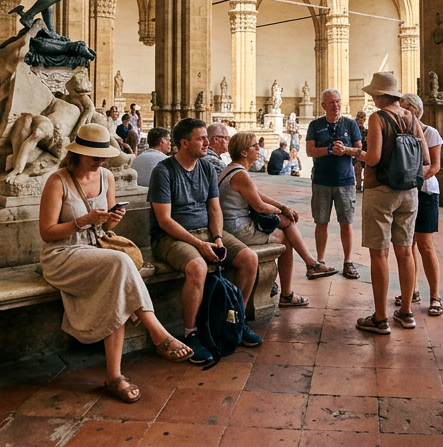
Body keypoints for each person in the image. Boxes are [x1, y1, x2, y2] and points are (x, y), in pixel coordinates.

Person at [40, 123, 193, 401]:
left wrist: (111, 220)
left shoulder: (107, 176)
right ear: (78, 153)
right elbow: (47, 232)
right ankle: (157, 332)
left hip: (97, 251)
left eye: (103, 157)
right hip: (62, 254)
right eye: (94, 156)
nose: (100, 161)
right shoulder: (57, 181)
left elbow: (107, 229)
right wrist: (82, 221)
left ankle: (114, 375)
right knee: (120, 265)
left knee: (117, 286)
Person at [148, 118, 263, 363]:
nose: (207, 143)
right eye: (201, 138)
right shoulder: (164, 171)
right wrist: (199, 245)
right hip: (170, 238)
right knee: (197, 267)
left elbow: (214, 209)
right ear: (184, 143)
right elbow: (164, 220)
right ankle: (191, 333)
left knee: (249, 259)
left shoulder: (208, 168)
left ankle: (236, 321)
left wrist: (218, 238)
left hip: (207, 233)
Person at [220, 131, 337, 308]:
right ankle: (292, 288)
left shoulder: (233, 169)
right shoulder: (240, 174)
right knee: (284, 238)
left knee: (285, 224)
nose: (259, 149)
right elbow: (259, 206)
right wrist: (281, 211)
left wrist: (283, 208)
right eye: (254, 146)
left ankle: (309, 266)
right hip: (238, 230)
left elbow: (258, 195)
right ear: (244, 152)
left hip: (232, 226)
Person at [355, 72, 420, 336]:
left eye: (374, 94)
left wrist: (355, 153)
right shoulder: (411, 117)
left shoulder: (377, 118)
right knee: (405, 251)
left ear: (380, 95)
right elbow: (424, 157)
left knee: (379, 253)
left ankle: (380, 318)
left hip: (381, 190)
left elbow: (373, 158)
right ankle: (406, 311)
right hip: (409, 191)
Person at [304, 88, 363, 280]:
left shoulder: (350, 123)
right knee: (321, 222)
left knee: (346, 223)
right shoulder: (315, 125)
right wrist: (329, 150)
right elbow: (310, 150)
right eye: (331, 102)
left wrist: (345, 149)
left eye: (337, 101)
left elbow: (359, 149)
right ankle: (320, 261)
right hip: (321, 180)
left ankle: (348, 261)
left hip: (345, 181)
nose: (335, 105)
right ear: (323, 106)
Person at [401, 94, 443, 317]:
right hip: (406, 195)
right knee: (407, 245)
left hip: (426, 193)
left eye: (405, 108)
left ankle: (435, 295)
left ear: (416, 111)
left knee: (425, 245)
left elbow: (435, 166)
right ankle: (413, 289)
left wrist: (412, 181)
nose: (401, 112)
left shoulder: (430, 133)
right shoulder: (400, 133)